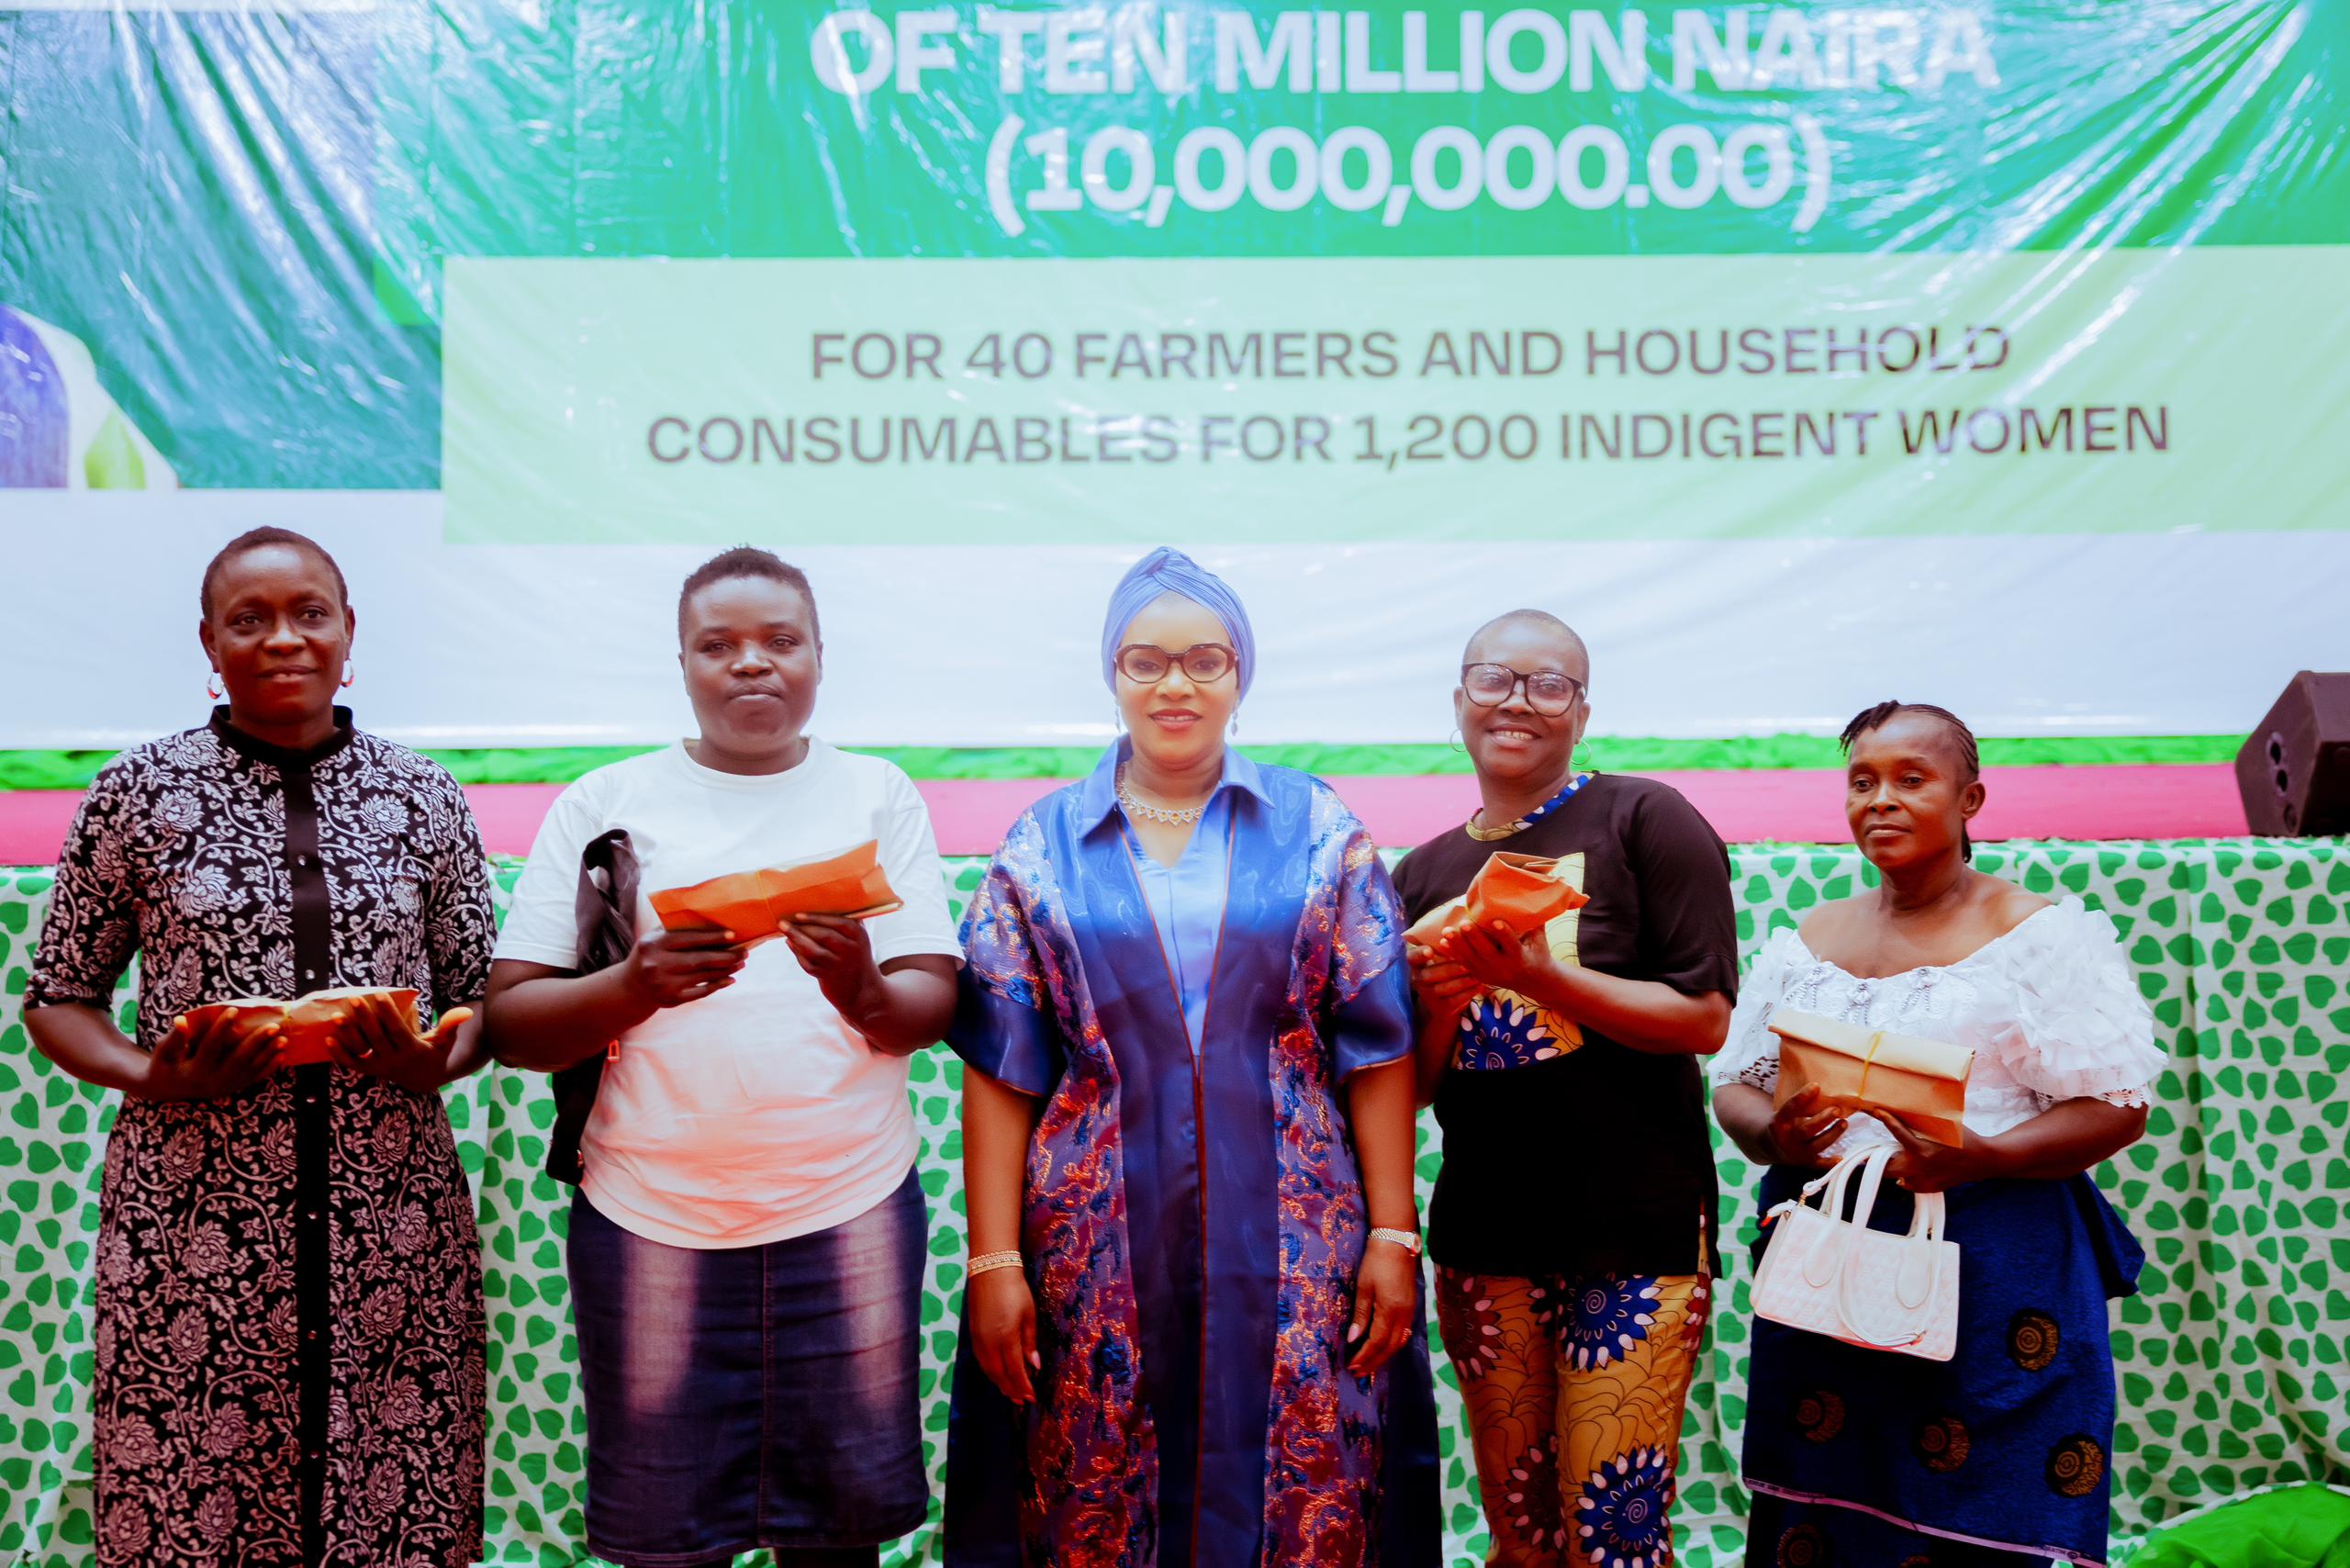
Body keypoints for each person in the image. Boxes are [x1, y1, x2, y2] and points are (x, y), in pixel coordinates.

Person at [946, 546, 1441, 1566]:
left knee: (1310, 1487)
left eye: (1204, 660)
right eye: (1146, 661)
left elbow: (1376, 1044)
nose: (1174, 684)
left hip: (1303, 1236)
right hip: (1091, 1240)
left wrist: (1393, 1235)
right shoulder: (1038, 846)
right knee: (1094, 1479)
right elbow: (1001, 1065)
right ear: (1113, 675)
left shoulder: (1319, 832)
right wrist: (993, 1258)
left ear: (1239, 675)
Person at [481, 546, 959, 1568]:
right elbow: (512, 1024)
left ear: (820, 658)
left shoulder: (877, 793)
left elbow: (931, 1002)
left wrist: (863, 990)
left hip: (850, 1205)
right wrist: (632, 986)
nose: (751, 664)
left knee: (836, 1537)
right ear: (684, 665)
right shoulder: (604, 803)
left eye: (779, 641)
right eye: (719, 645)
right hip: (650, 1212)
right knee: (664, 1538)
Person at [25, 526, 494, 1567]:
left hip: (394, 1230)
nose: (283, 638)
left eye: (308, 613)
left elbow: (481, 1001)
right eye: (251, 619)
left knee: (398, 1508)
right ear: (210, 642)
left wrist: (433, 1061)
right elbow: (58, 998)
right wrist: (154, 1074)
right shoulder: (134, 795)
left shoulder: (424, 796)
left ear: (347, 632)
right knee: (194, 1501)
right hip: (192, 1224)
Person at [1712, 700, 2162, 1567]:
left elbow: (2117, 1103)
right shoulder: (1810, 936)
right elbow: (1736, 1083)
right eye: (1861, 782)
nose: (1880, 800)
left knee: (1983, 1503)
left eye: (1911, 780)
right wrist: (1779, 1138)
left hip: (1994, 1267)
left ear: (1972, 800)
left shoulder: (2034, 936)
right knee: (1826, 1495)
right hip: (1826, 1269)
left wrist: (1984, 1156)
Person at [1392, 609, 1739, 1568]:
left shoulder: (1643, 818)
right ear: (1459, 700)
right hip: (1484, 1241)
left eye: (1548, 685)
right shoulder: (1419, 874)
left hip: (1635, 1234)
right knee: (1522, 1534)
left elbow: (1705, 1017)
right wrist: (1440, 1000)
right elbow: (1416, 1088)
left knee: (1612, 1533)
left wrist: (1539, 978)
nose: (1517, 702)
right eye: (1495, 680)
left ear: (1580, 712)